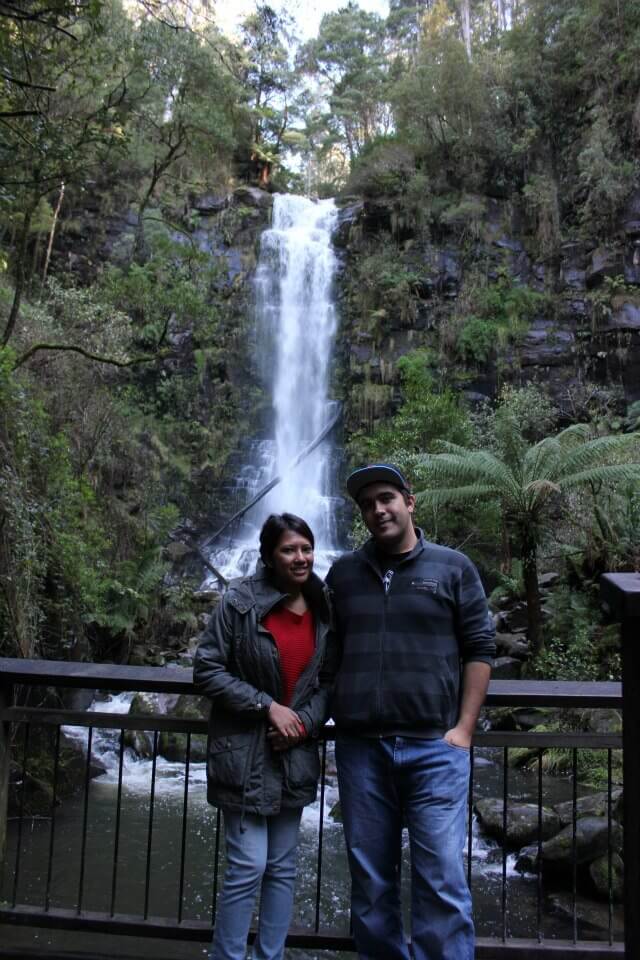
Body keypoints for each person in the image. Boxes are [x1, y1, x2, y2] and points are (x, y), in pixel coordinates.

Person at [326, 464, 495, 960]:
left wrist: (464, 729)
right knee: (371, 882)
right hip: (361, 750)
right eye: (367, 504)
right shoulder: (343, 573)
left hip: (434, 748)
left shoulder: (453, 566)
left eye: (386, 498)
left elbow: (480, 649)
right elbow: (329, 654)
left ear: (409, 502)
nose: (377, 510)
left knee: (441, 879)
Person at [193, 513, 335, 960]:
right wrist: (267, 707)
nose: (301, 558)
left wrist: (303, 724)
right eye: (289, 550)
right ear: (269, 557)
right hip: (246, 751)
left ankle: (268, 956)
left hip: (294, 752)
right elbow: (207, 668)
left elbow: (328, 681)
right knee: (247, 865)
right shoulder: (238, 601)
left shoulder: (323, 603)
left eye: (306, 548)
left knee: (282, 868)